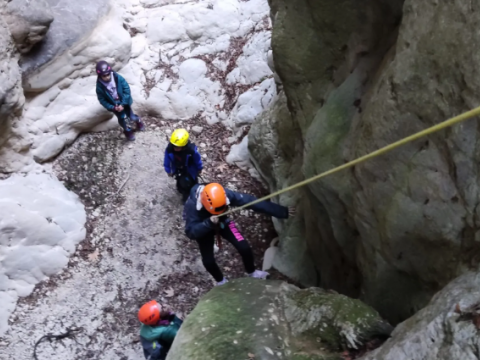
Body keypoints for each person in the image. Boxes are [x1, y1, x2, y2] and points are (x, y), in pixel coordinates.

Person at [184, 182, 295, 286]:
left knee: (244, 247)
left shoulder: (222, 195)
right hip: (204, 229)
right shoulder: (192, 207)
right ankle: (221, 282)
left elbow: (250, 201)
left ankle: (252, 272)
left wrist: (281, 211)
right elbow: (191, 232)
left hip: (222, 222)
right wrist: (208, 223)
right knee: (208, 261)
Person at [95, 60, 145, 141]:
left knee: (131, 117)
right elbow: (102, 100)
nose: (107, 77)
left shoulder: (117, 78)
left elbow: (126, 89)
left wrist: (123, 103)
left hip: (124, 102)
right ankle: (128, 131)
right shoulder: (99, 87)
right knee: (123, 120)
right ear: (100, 76)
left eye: (108, 74)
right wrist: (113, 107)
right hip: (115, 105)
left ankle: (138, 120)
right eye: (104, 76)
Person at [164, 128, 203, 201]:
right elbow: (167, 160)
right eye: (174, 146)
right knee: (179, 180)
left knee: (189, 183)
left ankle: (188, 196)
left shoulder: (191, 151)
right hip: (178, 168)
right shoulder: (170, 149)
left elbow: (197, 160)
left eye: (178, 147)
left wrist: (199, 168)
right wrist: (169, 170)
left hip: (190, 169)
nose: (175, 148)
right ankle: (181, 189)